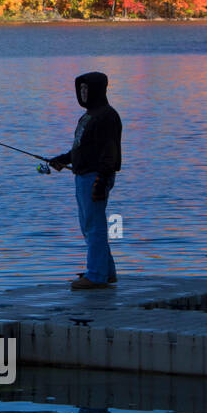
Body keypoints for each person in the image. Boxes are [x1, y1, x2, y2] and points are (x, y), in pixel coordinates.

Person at [49, 72, 122, 290]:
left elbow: (109, 151)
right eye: (80, 89)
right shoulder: (89, 116)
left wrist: (101, 180)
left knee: (94, 226)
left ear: (98, 90)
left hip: (95, 176)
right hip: (83, 176)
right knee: (89, 225)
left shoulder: (107, 116)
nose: (83, 93)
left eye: (86, 89)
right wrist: (62, 160)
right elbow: (81, 148)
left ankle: (96, 275)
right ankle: (106, 272)